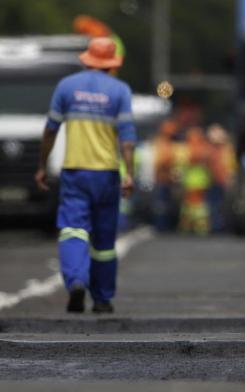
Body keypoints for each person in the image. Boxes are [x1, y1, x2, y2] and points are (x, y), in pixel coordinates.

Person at [35, 37, 136, 314]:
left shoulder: (67, 87)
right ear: (112, 63)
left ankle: (76, 281)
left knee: (73, 230)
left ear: (87, 58)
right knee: (104, 243)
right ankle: (102, 299)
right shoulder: (120, 91)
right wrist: (130, 174)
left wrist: (42, 165)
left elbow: (50, 130)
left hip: (76, 172)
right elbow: (127, 139)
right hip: (107, 174)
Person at [179, 127, 211, 235]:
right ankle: (194, 226)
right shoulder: (204, 148)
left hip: (193, 180)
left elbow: (187, 160)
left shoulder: (191, 149)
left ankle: (193, 226)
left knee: (194, 205)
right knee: (195, 204)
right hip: (199, 179)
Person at [206, 124, 236, 232]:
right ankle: (216, 226)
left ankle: (222, 226)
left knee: (223, 205)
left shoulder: (226, 149)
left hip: (223, 182)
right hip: (212, 181)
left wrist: (231, 177)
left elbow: (230, 165)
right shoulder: (210, 149)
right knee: (214, 205)